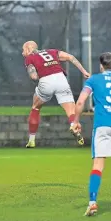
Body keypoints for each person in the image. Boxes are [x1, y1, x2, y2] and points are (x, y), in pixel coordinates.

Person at [22, 41, 91, 148]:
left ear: (28, 49)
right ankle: (73, 125)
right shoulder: (52, 51)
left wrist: (38, 77)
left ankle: (31, 140)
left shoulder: (29, 58)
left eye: (23, 50)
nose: (22, 53)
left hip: (46, 81)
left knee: (35, 107)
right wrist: (84, 71)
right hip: (61, 79)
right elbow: (70, 57)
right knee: (70, 111)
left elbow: (34, 76)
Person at [71, 52, 111, 216]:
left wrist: (76, 121)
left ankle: (93, 203)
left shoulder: (94, 79)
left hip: (102, 126)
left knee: (98, 166)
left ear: (101, 66)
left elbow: (81, 101)